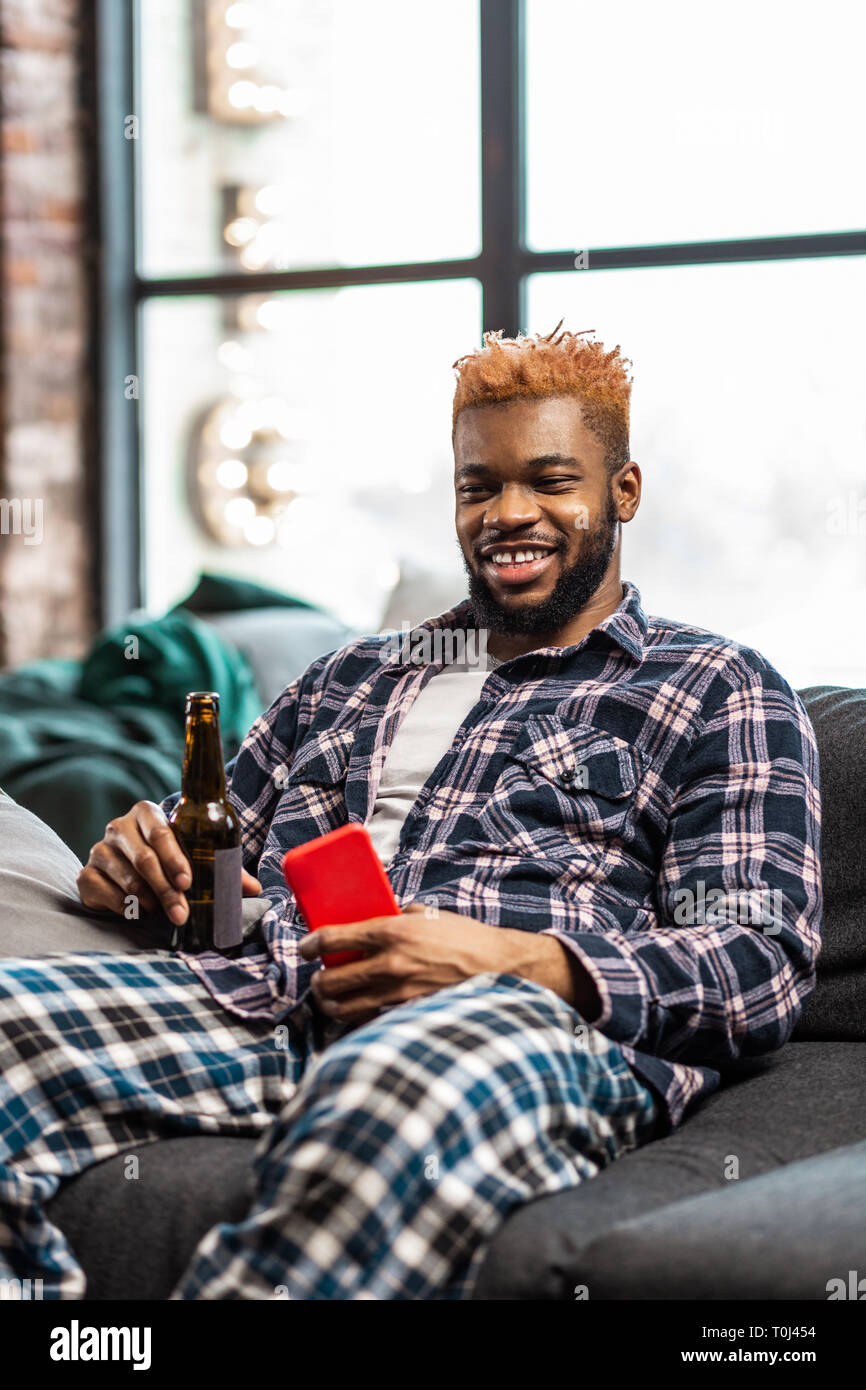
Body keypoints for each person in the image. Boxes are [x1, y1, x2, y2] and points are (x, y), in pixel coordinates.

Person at [0, 323, 822, 1300]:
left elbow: (756, 965)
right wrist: (139, 868)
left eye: (549, 480)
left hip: (517, 1027)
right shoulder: (350, 677)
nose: (507, 513)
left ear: (621, 491)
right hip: (271, 1006)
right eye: (479, 487)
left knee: (392, 1084)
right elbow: (207, 873)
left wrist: (507, 955)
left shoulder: (716, 688)